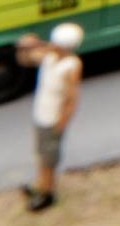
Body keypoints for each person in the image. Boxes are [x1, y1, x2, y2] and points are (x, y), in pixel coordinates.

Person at [19, 22, 82, 213]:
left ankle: (48, 194)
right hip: (41, 114)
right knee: (41, 154)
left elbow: (71, 99)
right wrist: (26, 46)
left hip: (53, 119)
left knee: (49, 158)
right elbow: (26, 59)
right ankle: (41, 185)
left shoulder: (71, 66)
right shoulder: (50, 56)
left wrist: (61, 123)